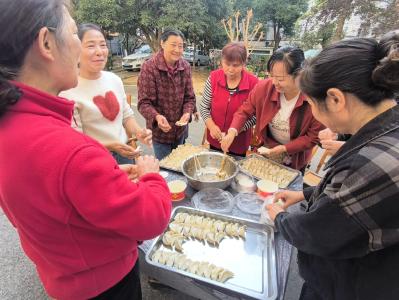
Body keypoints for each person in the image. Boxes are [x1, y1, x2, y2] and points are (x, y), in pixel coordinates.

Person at [0, 1, 171, 299]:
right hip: (105, 284)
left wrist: (108, 172)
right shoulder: (70, 150)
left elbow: (51, 195)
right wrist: (151, 176)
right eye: (74, 34)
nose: (83, 47)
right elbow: (152, 217)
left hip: (65, 278)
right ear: (46, 43)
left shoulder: (12, 126)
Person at [266, 33, 399, 300]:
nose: (313, 113)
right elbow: (343, 199)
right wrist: (305, 194)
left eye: (313, 104)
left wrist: (278, 217)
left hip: (350, 286)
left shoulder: (372, 165)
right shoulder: (387, 131)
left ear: (336, 99)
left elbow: (316, 232)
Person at [221, 46, 324, 171]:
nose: (274, 82)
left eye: (280, 79)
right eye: (272, 76)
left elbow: (313, 137)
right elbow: (244, 111)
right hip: (267, 148)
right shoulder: (264, 88)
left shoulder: (313, 97)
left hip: (295, 155)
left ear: (299, 75)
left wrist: (283, 149)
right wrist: (232, 131)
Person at [61, 23, 151, 164]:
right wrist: (111, 146)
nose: (99, 52)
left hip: (125, 154)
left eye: (103, 45)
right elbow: (76, 143)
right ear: (76, 49)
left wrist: (140, 132)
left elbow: (126, 117)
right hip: (95, 159)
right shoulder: (68, 91)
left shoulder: (114, 79)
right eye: (91, 46)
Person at [138, 29, 196, 160]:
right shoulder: (149, 67)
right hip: (160, 134)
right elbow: (144, 103)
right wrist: (157, 117)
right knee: (165, 170)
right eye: (173, 45)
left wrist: (187, 113)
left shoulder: (185, 66)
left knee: (180, 165)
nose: (177, 49)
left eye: (180, 46)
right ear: (162, 44)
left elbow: (190, 97)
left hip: (180, 131)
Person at [199, 42, 258, 156]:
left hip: (239, 143)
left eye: (235, 65)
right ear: (221, 61)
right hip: (215, 139)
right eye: (227, 64)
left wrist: (235, 131)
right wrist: (211, 126)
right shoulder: (213, 78)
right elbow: (204, 106)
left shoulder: (253, 83)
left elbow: (255, 115)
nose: (230, 69)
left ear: (243, 64)